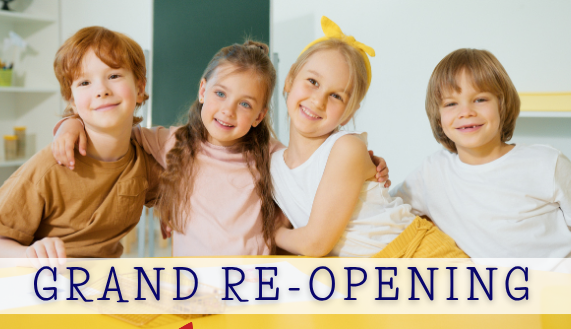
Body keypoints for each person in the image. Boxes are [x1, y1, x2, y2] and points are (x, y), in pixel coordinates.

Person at [52, 39, 390, 257]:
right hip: (193, 289)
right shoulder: (171, 141)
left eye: (245, 104)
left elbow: (316, 174)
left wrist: (368, 166)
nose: (228, 110)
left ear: (260, 115)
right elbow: (114, 128)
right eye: (220, 94)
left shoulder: (273, 158)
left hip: (254, 292)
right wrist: (72, 122)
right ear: (202, 90)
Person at [272, 17, 466, 258]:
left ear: (349, 113)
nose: (318, 100)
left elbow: (315, 244)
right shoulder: (273, 164)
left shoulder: (346, 149)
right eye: (312, 82)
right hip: (369, 279)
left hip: (417, 255)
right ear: (290, 79)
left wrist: (272, 233)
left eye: (336, 96)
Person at [391, 48, 571, 268]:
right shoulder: (432, 173)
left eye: (480, 99)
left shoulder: (546, 163)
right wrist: (371, 169)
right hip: (498, 296)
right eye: (451, 103)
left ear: (502, 105)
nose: (466, 112)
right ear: (438, 118)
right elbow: (385, 210)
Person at [0, 26, 162, 261]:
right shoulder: (48, 169)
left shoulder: (144, 162)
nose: (101, 91)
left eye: (114, 76)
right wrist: (28, 254)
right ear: (72, 101)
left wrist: (170, 211)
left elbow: (180, 198)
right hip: (46, 287)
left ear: (140, 88)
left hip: (102, 287)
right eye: (84, 83)